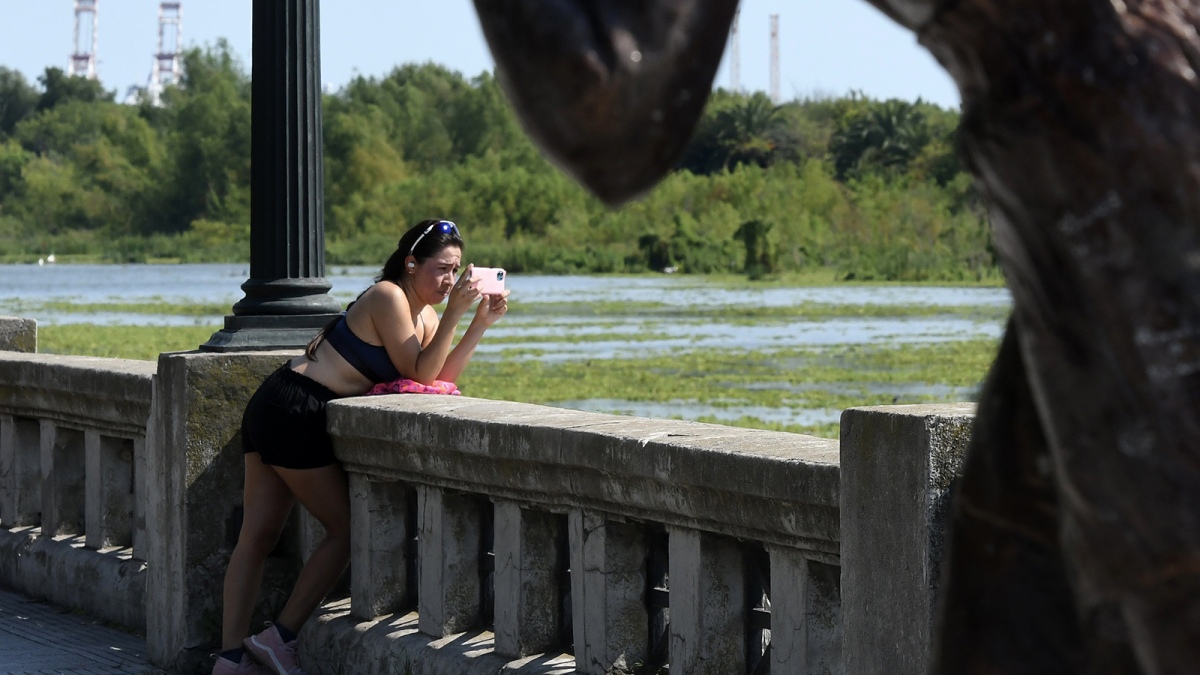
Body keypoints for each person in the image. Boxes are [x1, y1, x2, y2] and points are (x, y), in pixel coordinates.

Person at [213, 219, 509, 675]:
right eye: (442, 270)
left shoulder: (426, 315)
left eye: (456, 272)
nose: (450, 281)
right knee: (340, 531)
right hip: (294, 408)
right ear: (411, 264)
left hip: (282, 403)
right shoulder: (389, 296)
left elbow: (440, 376)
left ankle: (231, 662)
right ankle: (279, 638)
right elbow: (424, 376)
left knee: (259, 535)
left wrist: (478, 324)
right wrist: (454, 314)